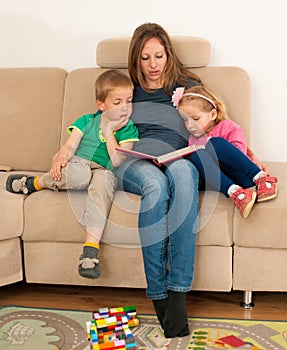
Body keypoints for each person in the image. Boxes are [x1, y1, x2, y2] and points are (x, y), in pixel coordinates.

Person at [6, 69, 139, 279]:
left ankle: (90, 251)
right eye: (117, 102)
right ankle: (36, 183)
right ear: (101, 105)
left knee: (102, 186)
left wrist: (109, 133)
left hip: (106, 171)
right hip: (80, 164)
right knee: (80, 176)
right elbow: (69, 146)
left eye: (129, 101)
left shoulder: (129, 129)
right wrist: (60, 156)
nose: (125, 107)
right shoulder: (86, 120)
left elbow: (116, 161)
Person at [115, 22, 202, 338]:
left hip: (177, 159)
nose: (153, 65)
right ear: (135, 60)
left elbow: (215, 123)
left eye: (158, 56)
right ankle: (158, 292)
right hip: (136, 163)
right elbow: (103, 129)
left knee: (182, 173)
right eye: (145, 58)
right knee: (155, 184)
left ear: (168, 55)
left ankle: (177, 292)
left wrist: (244, 152)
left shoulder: (188, 86)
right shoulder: (126, 90)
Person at [172, 85, 278, 218]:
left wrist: (209, 145)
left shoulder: (227, 127)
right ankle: (237, 194)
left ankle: (261, 178)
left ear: (212, 114)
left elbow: (238, 154)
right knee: (197, 155)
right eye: (186, 120)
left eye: (196, 119)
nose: (190, 125)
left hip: (241, 174)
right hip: (220, 181)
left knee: (214, 144)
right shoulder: (193, 139)